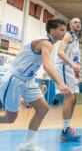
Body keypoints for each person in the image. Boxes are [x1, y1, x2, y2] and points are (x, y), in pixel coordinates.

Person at [0, 19, 71, 151]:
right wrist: (60, 83)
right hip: (14, 79)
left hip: (28, 80)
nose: (64, 33)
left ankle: (26, 144)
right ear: (52, 31)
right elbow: (47, 65)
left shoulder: (48, 43)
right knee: (10, 118)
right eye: (61, 30)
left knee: (43, 108)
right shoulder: (45, 43)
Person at [55, 18, 82, 141]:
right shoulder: (68, 36)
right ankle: (65, 130)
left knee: (74, 99)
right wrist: (72, 65)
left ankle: (67, 127)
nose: (78, 24)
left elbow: (75, 57)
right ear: (70, 26)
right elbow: (60, 53)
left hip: (70, 69)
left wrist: (77, 69)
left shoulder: (76, 40)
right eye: (75, 22)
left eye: (79, 22)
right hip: (64, 67)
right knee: (69, 97)